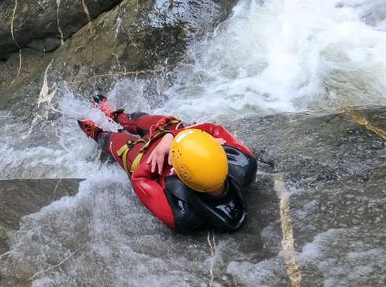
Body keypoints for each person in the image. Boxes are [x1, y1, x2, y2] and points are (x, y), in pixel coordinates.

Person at [78, 96, 258, 232]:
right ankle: (116, 115)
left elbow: (139, 178)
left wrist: (153, 159)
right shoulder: (242, 163)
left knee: (111, 140)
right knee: (137, 120)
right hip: (171, 130)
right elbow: (212, 128)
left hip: (145, 158)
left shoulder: (180, 214)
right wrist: (172, 136)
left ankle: (96, 132)